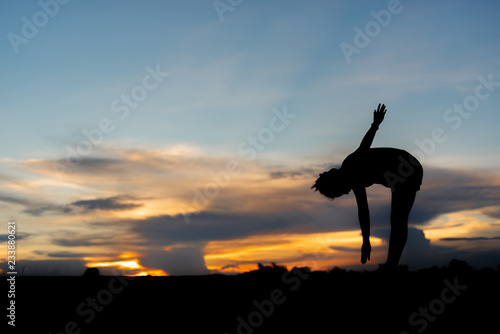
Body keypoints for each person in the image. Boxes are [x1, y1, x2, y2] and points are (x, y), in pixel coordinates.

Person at [312, 104, 423, 269]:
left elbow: (364, 146)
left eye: (338, 193)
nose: (344, 194)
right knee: (397, 219)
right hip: (402, 172)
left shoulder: (350, 166)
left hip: (406, 166)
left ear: (336, 184)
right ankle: (391, 265)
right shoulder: (352, 178)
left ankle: (391, 266)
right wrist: (366, 242)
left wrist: (375, 124)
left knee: (398, 219)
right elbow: (363, 210)